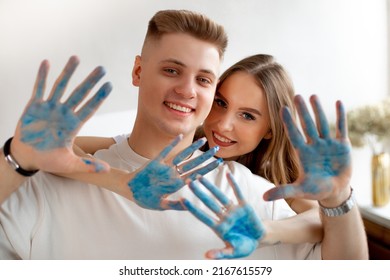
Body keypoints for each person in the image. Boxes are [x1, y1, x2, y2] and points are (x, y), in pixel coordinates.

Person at [0, 9, 367, 259]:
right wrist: (20, 158)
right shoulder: (48, 180)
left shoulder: (250, 197)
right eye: (172, 71)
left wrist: (338, 199)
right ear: (139, 72)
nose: (188, 90)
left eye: (204, 80)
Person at [74, 54, 322, 243]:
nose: (223, 125)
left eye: (247, 116)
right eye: (221, 103)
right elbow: (62, 148)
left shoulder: (280, 176)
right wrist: (120, 182)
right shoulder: (184, 146)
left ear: (271, 129)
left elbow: (320, 220)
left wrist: (265, 231)